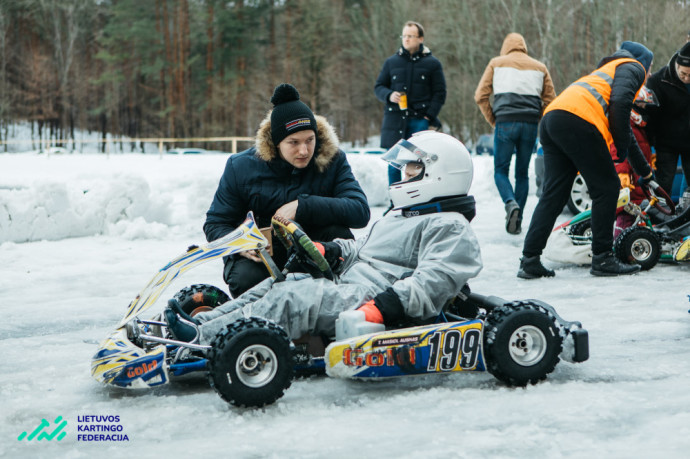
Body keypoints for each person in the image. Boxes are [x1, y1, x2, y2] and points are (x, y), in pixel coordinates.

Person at [165, 131, 482, 345]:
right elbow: (365, 250)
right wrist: (330, 249)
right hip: (350, 282)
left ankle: (204, 340)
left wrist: (380, 308)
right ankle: (202, 324)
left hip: (373, 299)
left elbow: (433, 282)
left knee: (292, 300)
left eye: (413, 170)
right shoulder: (406, 214)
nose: (404, 176)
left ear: (439, 174)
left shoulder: (451, 228)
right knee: (282, 284)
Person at [203, 83, 370, 298]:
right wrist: (240, 244)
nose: (304, 150)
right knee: (245, 276)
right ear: (276, 142)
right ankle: (257, 326)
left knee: (338, 235)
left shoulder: (331, 159)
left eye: (310, 140)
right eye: (294, 142)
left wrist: (303, 205)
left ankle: (332, 315)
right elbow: (216, 223)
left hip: (314, 249)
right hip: (262, 256)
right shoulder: (241, 166)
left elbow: (359, 211)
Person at [518, 41, 655, 279]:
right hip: (578, 120)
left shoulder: (602, 74)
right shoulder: (633, 66)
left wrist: (646, 173)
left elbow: (627, 133)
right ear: (642, 62)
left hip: (553, 119)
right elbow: (621, 107)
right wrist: (620, 150)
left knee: (554, 194)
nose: (649, 74)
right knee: (607, 188)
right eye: (650, 67)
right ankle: (603, 258)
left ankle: (529, 259)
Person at [474, 32, 556, 235]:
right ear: (524, 47)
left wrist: (493, 118)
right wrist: (538, 118)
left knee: (501, 170)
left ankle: (510, 203)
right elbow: (552, 101)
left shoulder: (496, 63)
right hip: (529, 125)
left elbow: (480, 96)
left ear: (506, 47)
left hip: (505, 123)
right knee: (522, 174)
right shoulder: (539, 67)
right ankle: (517, 219)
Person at [375, 21, 447, 185]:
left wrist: (429, 116)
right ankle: (395, 202)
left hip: (420, 121)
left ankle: (416, 201)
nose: (406, 39)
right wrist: (389, 95)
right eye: (404, 36)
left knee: (417, 164)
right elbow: (378, 87)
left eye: (410, 36)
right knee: (394, 165)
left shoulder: (433, 64)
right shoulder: (391, 62)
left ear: (420, 38)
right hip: (394, 120)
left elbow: (440, 93)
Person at [645, 42, 690, 195]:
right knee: (663, 185)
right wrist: (652, 140)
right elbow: (650, 115)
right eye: (683, 74)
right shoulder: (659, 81)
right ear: (676, 65)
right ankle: (660, 216)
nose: (686, 78)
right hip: (666, 145)